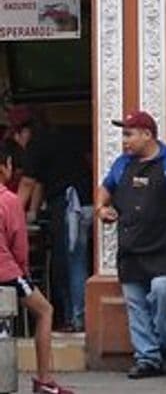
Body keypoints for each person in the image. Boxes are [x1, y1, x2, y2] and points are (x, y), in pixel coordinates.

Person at [96, 111, 166, 379]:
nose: (124, 141)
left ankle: (164, 344)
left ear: (147, 135)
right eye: (123, 134)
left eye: (129, 134)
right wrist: (101, 208)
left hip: (164, 246)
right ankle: (147, 358)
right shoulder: (121, 164)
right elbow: (105, 189)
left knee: (163, 291)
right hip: (130, 247)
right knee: (136, 304)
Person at [0, 142, 74, 393]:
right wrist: (24, 273)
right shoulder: (9, 201)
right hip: (6, 271)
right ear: (6, 167)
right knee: (44, 311)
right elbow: (18, 244)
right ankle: (43, 379)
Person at [12, 106, 91, 333]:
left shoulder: (36, 145)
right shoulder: (56, 139)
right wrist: (31, 213)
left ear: (23, 132)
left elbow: (27, 183)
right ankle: (75, 316)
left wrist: (10, 216)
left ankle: (77, 318)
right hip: (83, 201)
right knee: (75, 259)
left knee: (71, 262)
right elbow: (38, 183)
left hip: (70, 205)